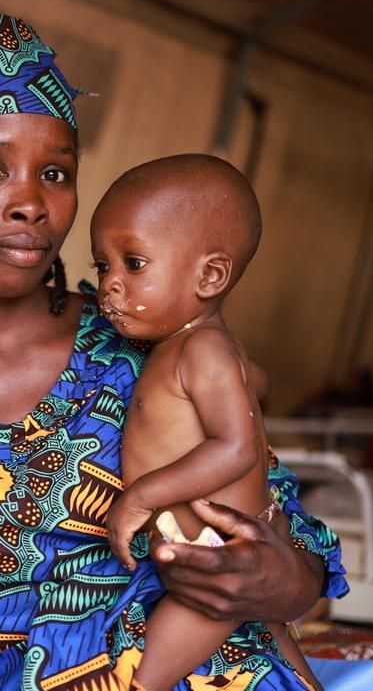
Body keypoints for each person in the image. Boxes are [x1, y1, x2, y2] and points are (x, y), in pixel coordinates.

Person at [0, 0, 346, 690]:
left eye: (54, 172)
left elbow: (289, 551)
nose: (30, 203)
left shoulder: (153, 341)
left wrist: (282, 583)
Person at [94, 156, 319, 690]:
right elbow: (256, 384)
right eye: (103, 266)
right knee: (282, 648)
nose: (110, 285)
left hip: (217, 555)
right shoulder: (195, 346)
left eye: (134, 263)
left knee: (140, 680)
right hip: (217, 547)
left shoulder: (203, 346)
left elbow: (237, 448)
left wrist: (142, 497)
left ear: (210, 275)